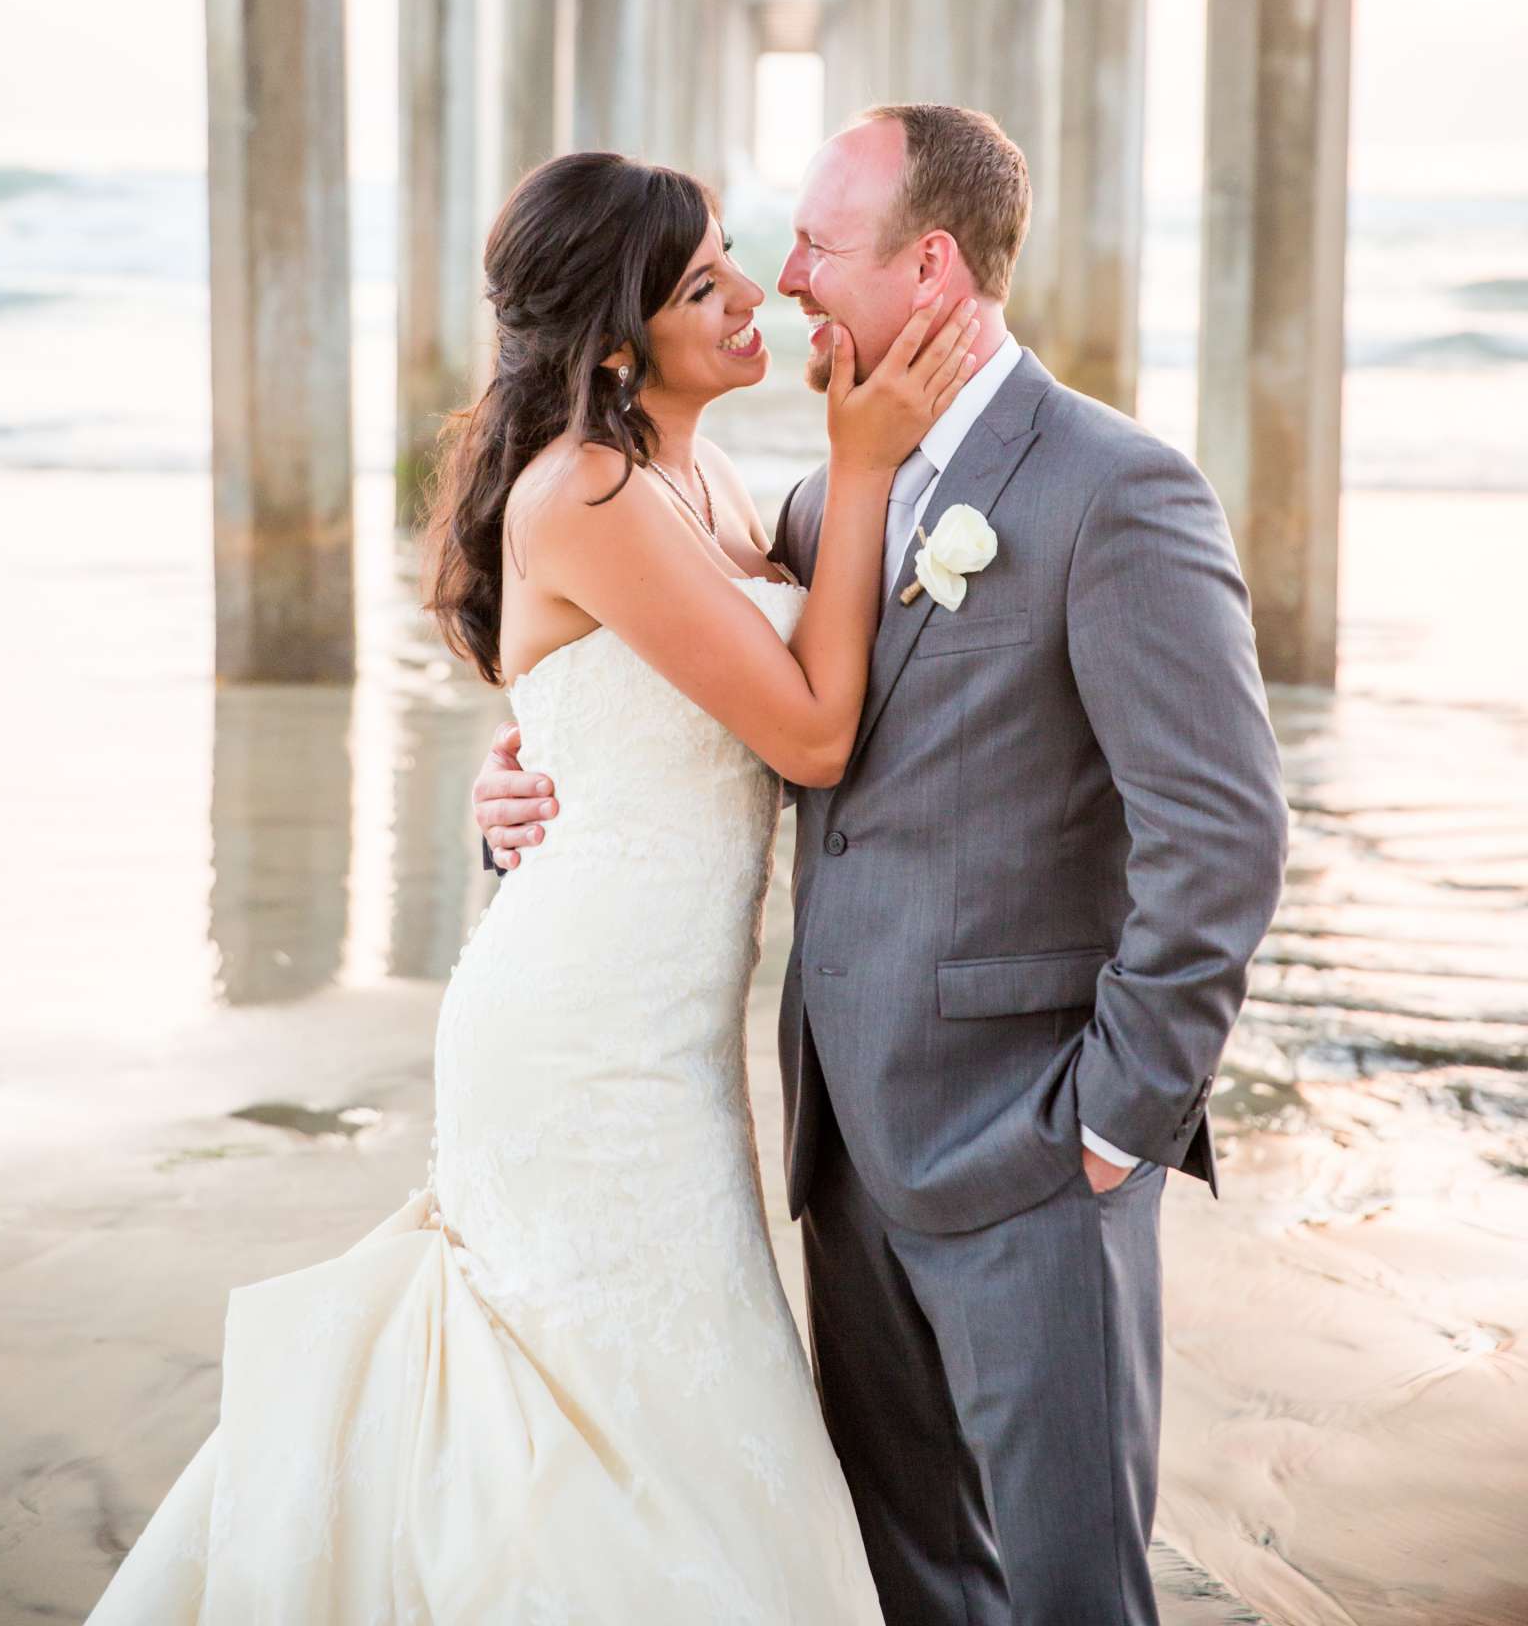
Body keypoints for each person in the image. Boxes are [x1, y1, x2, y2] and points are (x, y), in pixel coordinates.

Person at [87, 145, 980, 1624]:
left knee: (679, 1403)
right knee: (621, 1408)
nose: (751, 292)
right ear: (621, 342)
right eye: (706, 284)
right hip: (578, 1043)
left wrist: (515, 777)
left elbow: (626, 715)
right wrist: (874, 463)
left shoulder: (707, 473)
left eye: (733, 256)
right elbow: (813, 732)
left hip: (666, 1039)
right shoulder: (589, 491)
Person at [476, 102, 1291, 1626]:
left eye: (816, 248)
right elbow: (647, 673)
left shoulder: (1117, 492)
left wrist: (1120, 1114)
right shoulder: (804, 499)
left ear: (928, 270)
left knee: (1066, 1594)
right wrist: (522, 778)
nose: (785, 282)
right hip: (840, 1143)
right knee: (909, 1584)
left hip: (1036, 1149)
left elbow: (1225, 833)